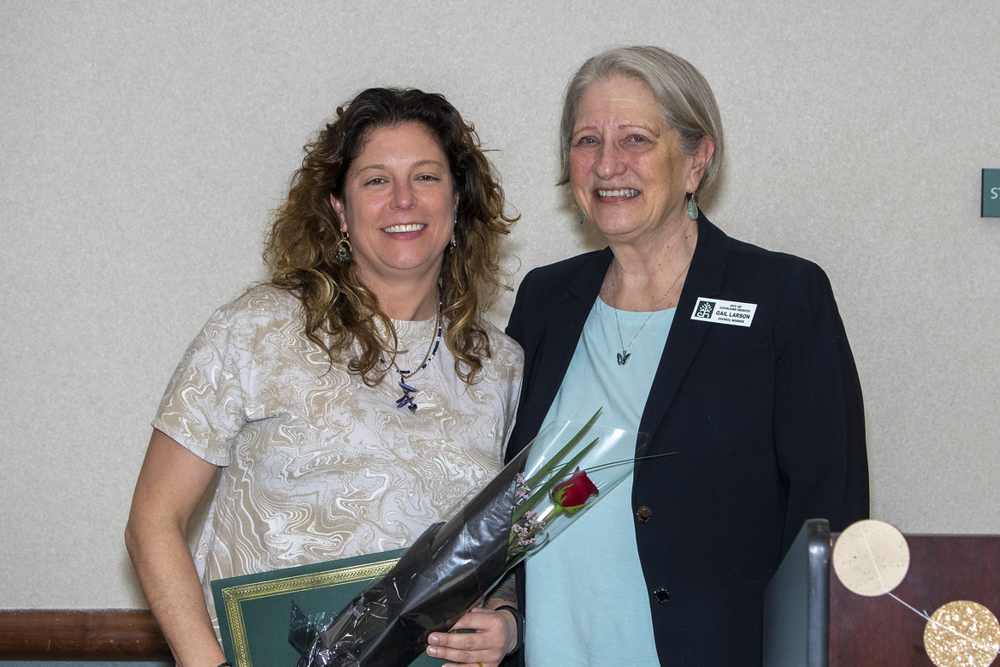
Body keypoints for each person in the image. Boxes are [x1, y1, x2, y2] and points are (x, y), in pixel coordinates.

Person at [125, 87, 523, 667]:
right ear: (339, 208)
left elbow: (498, 538)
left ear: (458, 201)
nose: (404, 199)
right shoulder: (258, 327)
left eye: (427, 177)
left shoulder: (500, 365)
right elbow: (153, 521)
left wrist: (506, 618)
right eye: (376, 180)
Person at [503, 46, 869, 666]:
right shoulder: (546, 298)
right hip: (553, 647)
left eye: (637, 139)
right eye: (587, 140)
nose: (608, 163)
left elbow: (828, 513)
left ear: (698, 159)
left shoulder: (780, 297)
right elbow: (521, 494)